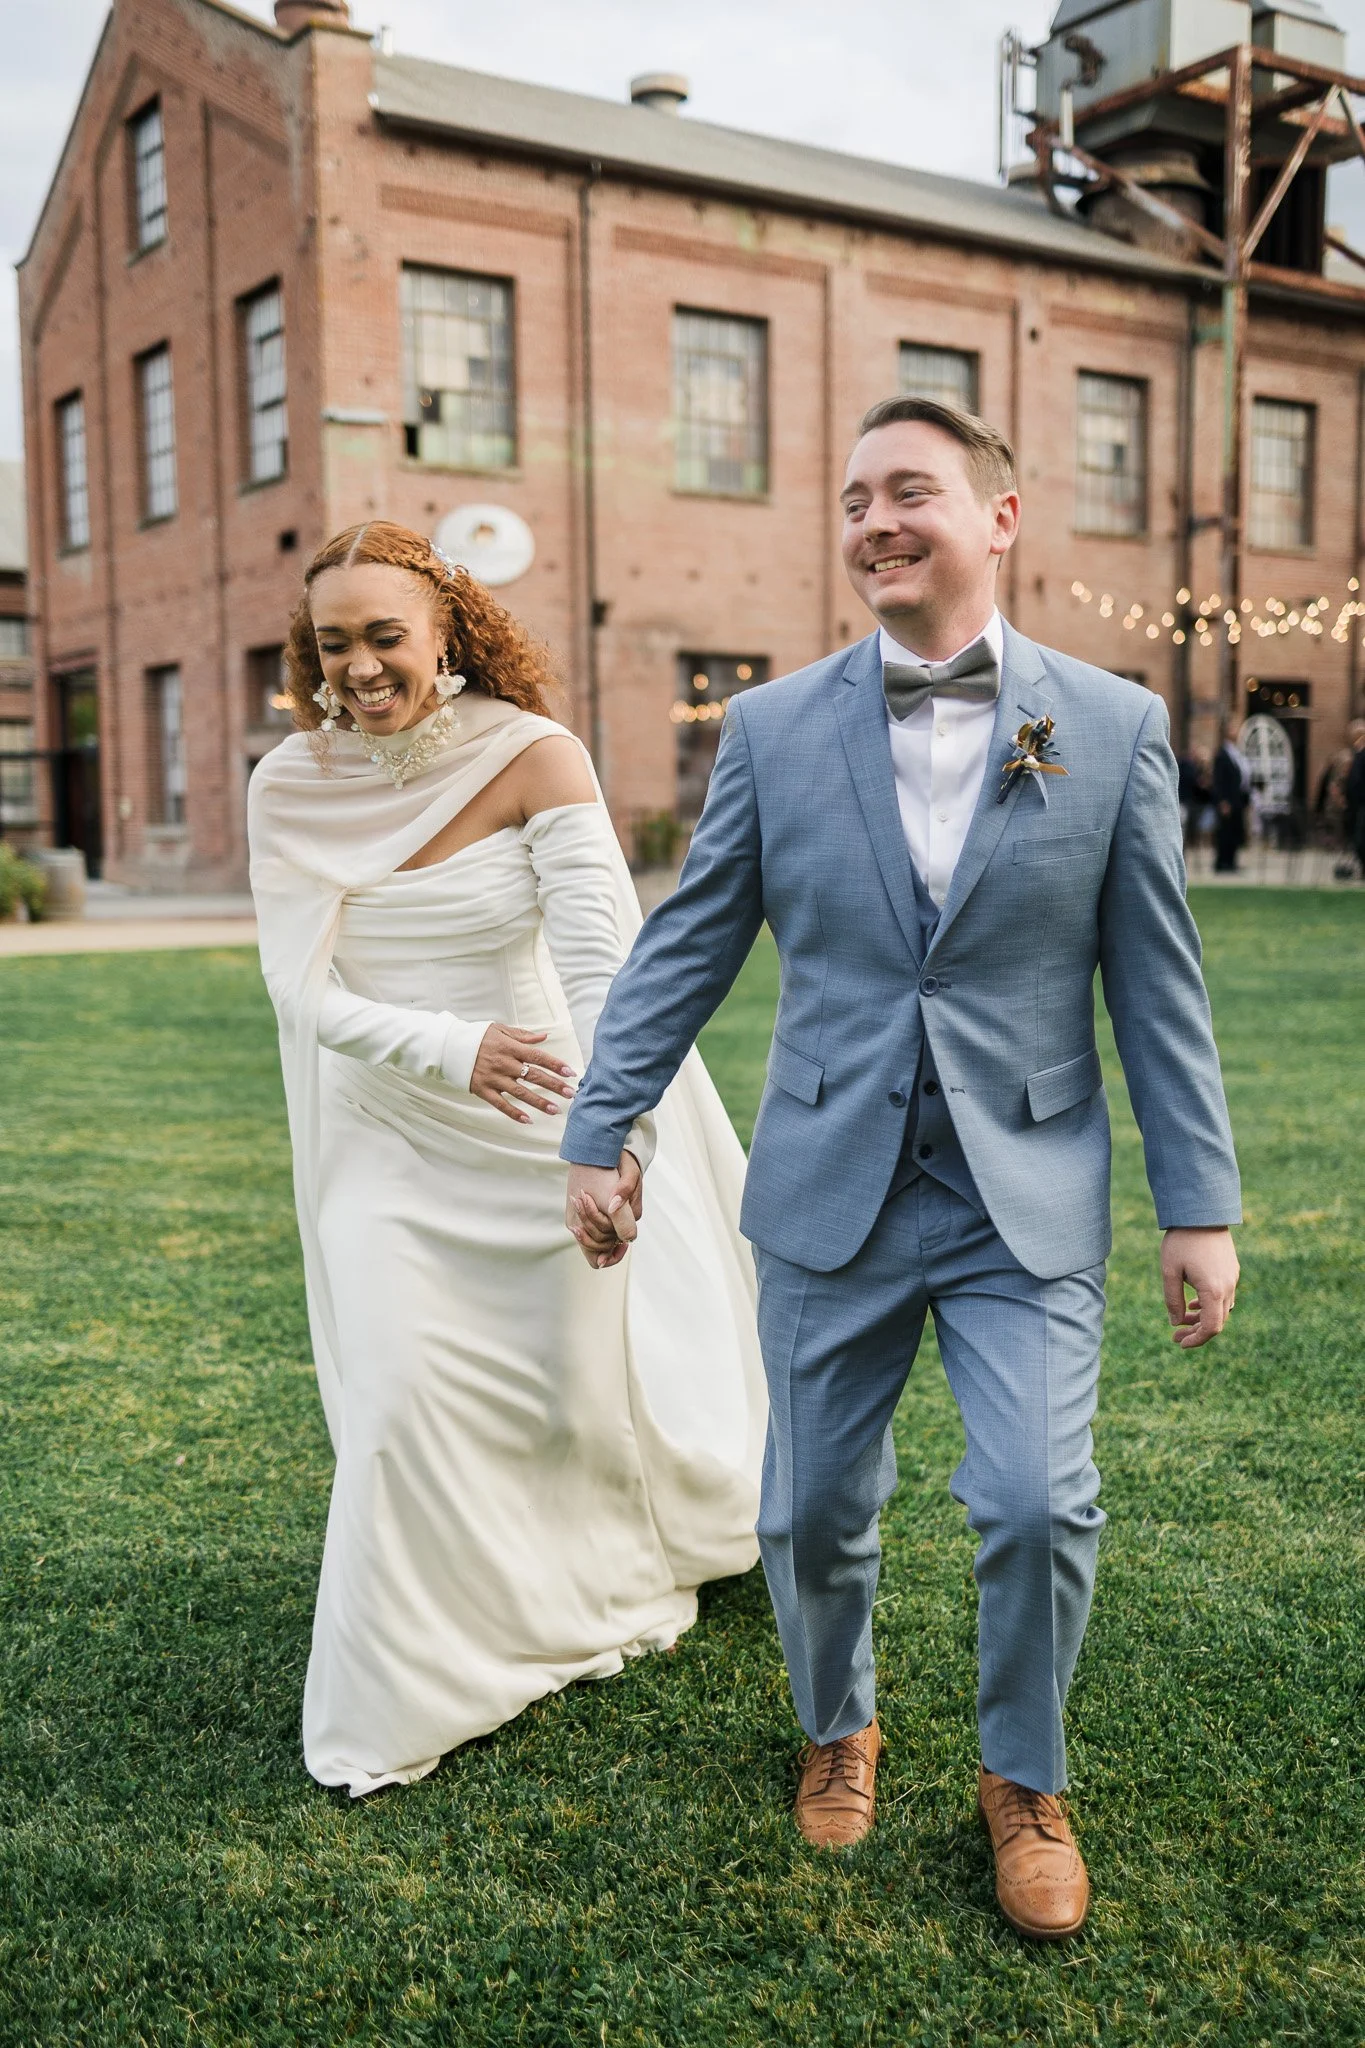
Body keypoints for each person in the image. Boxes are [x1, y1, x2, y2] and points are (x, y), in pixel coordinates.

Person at [561, 398, 1240, 1941]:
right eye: (855, 495)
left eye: (910, 491)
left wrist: (1197, 1207)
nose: (874, 519)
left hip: (1027, 1192)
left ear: (999, 518)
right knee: (806, 1513)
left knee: (1036, 1502)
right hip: (828, 1184)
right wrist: (602, 1128)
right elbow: (687, 948)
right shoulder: (772, 728)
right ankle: (838, 1726)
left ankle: (1023, 1779)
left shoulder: (1113, 726)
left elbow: (1157, 984)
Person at [247, 521, 765, 1797]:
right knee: (398, 1390)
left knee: (568, 1384)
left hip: (545, 1102)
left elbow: (603, 969)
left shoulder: (538, 756)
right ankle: (414, 1674)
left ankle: (579, 1568)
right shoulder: (289, 784)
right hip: (387, 1122)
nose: (361, 668)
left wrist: (615, 1138)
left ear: (447, 633)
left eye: (386, 637)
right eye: (335, 644)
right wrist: (448, 1043)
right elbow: (299, 993)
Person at [1211, 716, 1252, 873]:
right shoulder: (1222, 754)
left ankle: (1231, 860)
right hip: (1227, 801)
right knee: (1225, 832)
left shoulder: (1236, 753)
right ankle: (1223, 862)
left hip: (1237, 800)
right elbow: (1219, 780)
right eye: (1234, 728)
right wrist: (1222, 801)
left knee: (1234, 831)